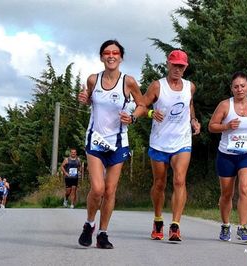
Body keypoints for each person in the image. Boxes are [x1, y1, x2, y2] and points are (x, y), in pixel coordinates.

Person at [77, 39, 145, 249]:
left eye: (115, 53)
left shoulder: (129, 82)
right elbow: (89, 99)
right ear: (101, 57)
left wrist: (133, 117)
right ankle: (89, 224)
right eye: (107, 53)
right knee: (97, 188)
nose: (111, 56)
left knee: (110, 190)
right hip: (96, 139)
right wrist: (84, 98)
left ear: (121, 57)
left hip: (118, 142)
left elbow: (142, 104)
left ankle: (103, 233)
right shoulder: (92, 79)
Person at [143, 50, 201, 241]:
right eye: (174, 65)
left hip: (182, 141)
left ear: (185, 67)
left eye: (181, 66)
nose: (177, 69)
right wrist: (151, 114)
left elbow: (190, 104)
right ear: (168, 64)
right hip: (159, 142)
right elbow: (141, 106)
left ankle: (175, 225)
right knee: (159, 183)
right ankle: (158, 220)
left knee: (179, 180)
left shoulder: (189, 87)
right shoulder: (157, 86)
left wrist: (193, 120)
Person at [208, 71, 247, 243]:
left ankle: (243, 227)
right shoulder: (225, 105)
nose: (239, 89)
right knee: (226, 194)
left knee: (245, 188)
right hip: (226, 155)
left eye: (242, 86)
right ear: (231, 89)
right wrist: (226, 126)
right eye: (236, 86)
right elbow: (211, 126)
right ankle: (226, 225)